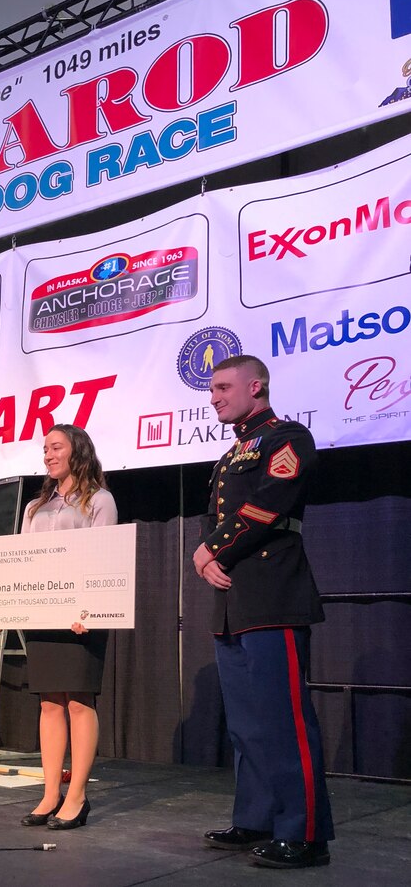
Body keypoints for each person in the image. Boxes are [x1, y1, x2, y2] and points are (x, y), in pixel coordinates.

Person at [193, 355, 334, 869]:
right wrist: (203, 555)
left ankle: (305, 833)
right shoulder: (230, 456)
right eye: (212, 389)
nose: (214, 397)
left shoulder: (288, 438)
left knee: (285, 720)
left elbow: (268, 505)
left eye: (223, 387)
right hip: (233, 601)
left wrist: (213, 550)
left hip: (273, 594)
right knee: (248, 723)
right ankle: (255, 817)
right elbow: (216, 517)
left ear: (256, 387)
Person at [0, 424, 117, 831]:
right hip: (43, 614)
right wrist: (1, 610)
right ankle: (49, 794)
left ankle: (76, 795)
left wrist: (91, 609)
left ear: (77, 451)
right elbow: (23, 562)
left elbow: (105, 559)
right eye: (45, 449)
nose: (47, 455)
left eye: (55, 447)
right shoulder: (34, 507)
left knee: (78, 701)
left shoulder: (100, 500)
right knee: (48, 703)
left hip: (81, 618)